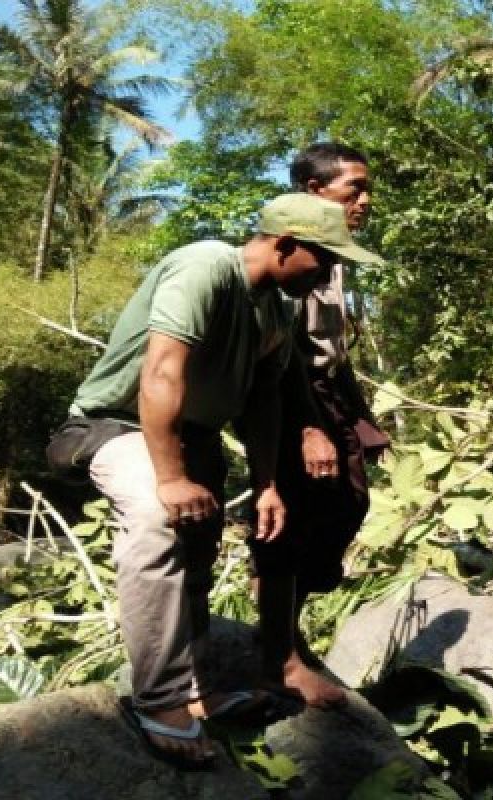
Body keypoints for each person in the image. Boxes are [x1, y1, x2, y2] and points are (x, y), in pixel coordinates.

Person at [60, 193, 380, 769]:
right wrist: (172, 478)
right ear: (286, 244)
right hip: (119, 425)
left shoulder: (276, 311)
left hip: (196, 437)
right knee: (160, 518)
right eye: (326, 260)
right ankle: (159, 701)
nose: (331, 274)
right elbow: (162, 370)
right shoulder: (205, 265)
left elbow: (261, 405)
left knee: (201, 548)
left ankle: (196, 690)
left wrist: (267, 486)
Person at [249, 142, 389, 709]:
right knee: (295, 515)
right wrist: (308, 428)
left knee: (348, 504)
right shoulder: (293, 251)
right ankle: (277, 652)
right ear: (313, 191)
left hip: (327, 393)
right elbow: (282, 353)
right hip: (288, 393)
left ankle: (286, 623)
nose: (365, 200)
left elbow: (334, 351)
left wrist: (361, 419)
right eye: (353, 187)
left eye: (367, 188)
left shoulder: (335, 260)